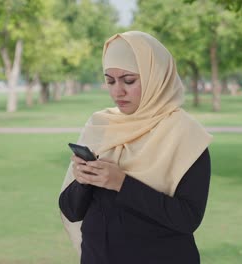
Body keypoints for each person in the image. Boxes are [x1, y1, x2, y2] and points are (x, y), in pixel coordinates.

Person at [58, 31, 212, 264]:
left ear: (155, 77)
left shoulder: (184, 134)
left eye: (129, 81)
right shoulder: (101, 125)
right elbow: (71, 211)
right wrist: (82, 180)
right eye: (110, 81)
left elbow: (187, 218)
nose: (117, 91)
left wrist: (121, 183)